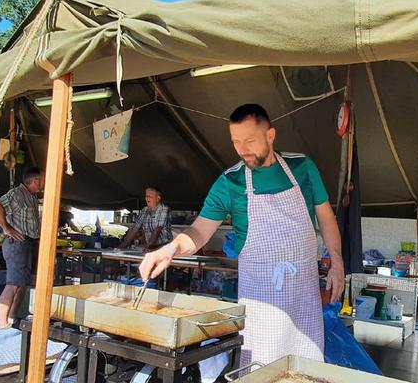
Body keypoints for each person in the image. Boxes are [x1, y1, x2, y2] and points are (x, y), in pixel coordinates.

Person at [139, 104, 345, 367]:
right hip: (261, 302)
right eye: (236, 142)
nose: (242, 149)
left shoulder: (302, 168)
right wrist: (170, 249)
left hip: (304, 297)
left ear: (270, 135)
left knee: (306, 372)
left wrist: (336, 262)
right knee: (260, 374)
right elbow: (199, 231)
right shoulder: (230, 182)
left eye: (249, 140)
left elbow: (327, 218)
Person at [0, 167, 43, 329]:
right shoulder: (17, 194)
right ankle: (1, 322)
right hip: (17, 243)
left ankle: (11, 319)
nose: (44, 183)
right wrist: (6, 228)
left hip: (29, 242)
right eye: (42, 179)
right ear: (34, 181)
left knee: (23, 283)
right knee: (14, 284)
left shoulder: (33, 198)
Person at [120, 186, 172, 251]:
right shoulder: (144, 210)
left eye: (149, 196)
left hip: (164, 247)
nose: (146, 198)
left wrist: (147, 247)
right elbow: (134, 229)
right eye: (146, 196)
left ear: (158, 198)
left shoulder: (164, 209)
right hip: (150, 246)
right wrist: (121, 247)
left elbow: (157, 230)